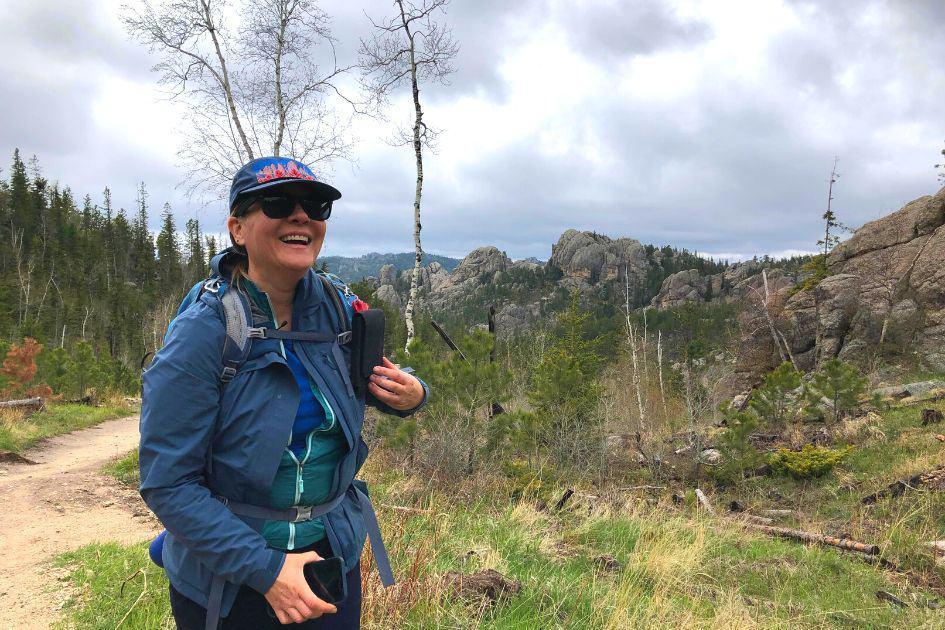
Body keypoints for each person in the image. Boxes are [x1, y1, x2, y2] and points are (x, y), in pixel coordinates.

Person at [139, 156, 428, 629]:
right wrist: (267, 570)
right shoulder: (204, 330)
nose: (300, 216)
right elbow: (168, 483)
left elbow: (380, 378)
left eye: (315, 206)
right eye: (277, 203)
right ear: (237, 229)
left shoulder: (338, 310)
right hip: (231, 578)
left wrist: (414, 393)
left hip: (330, 559)